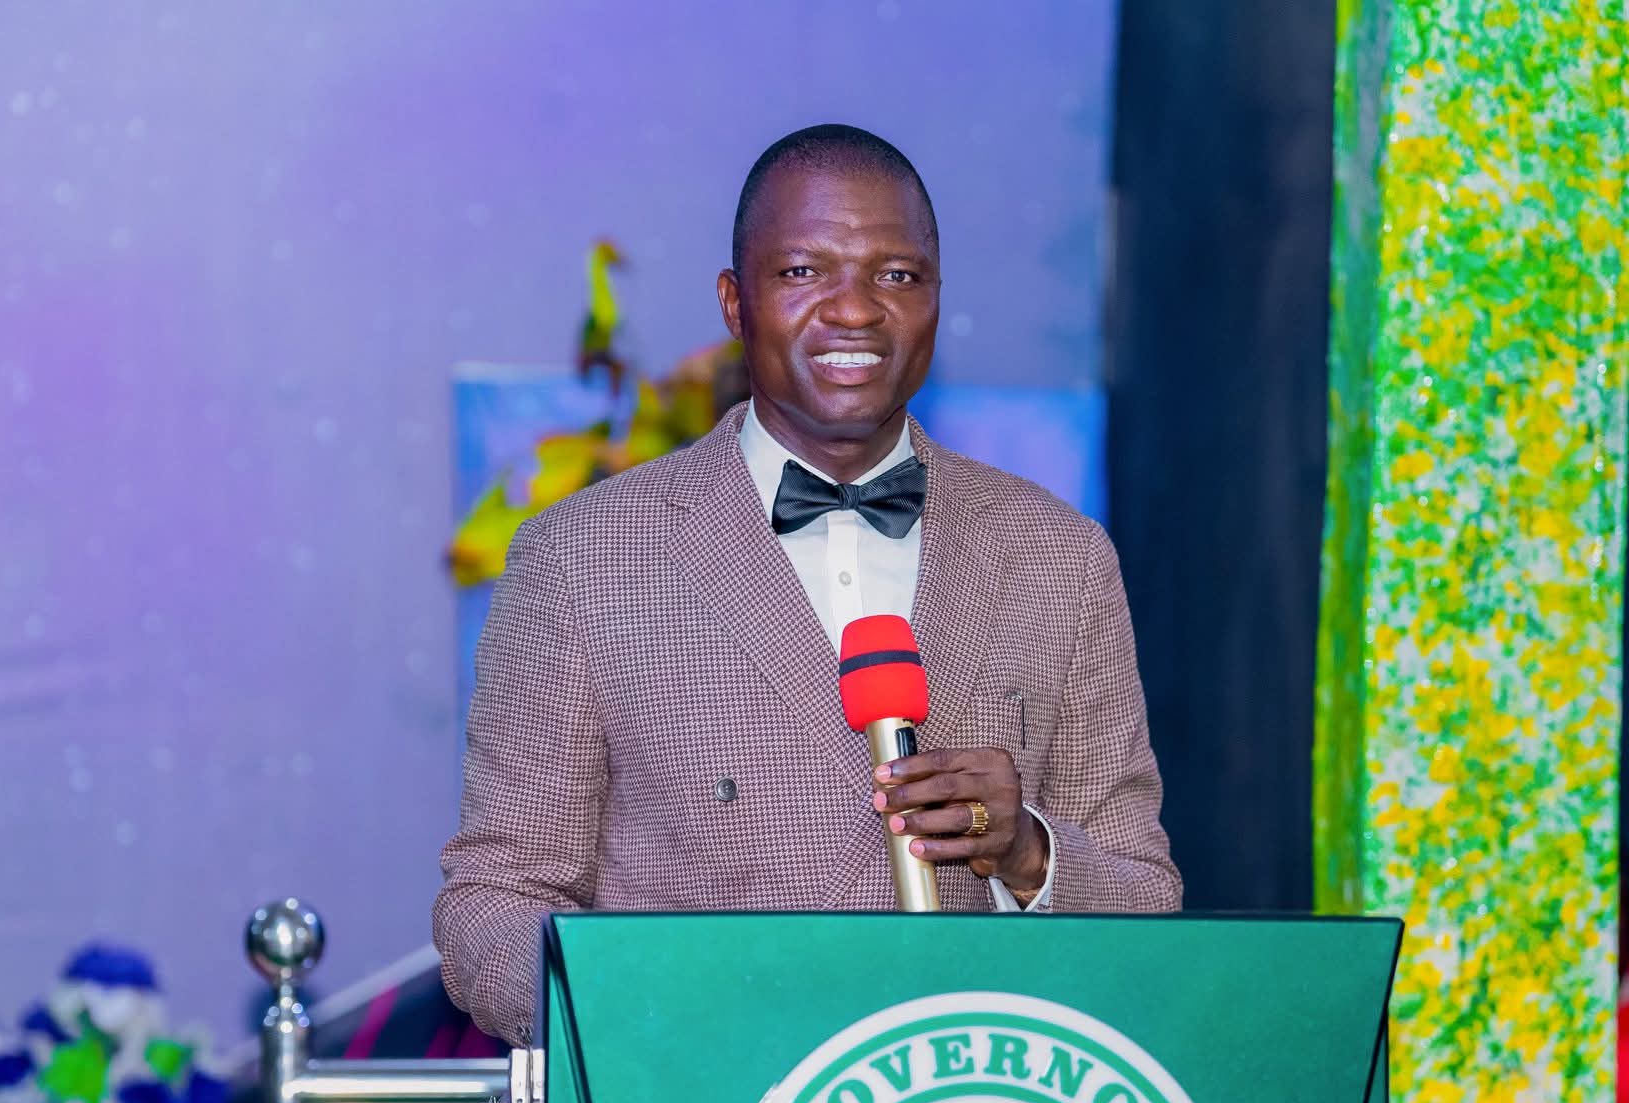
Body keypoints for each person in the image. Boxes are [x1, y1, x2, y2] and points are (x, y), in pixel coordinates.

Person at [432, 124, 1181, 1047]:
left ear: (937, 299)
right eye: (801, 272)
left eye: (896, 274)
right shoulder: (581, 557)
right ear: (734, 303)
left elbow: (1148, 902)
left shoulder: (1058, 556)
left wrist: (1028, 852)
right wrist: (651, 1034)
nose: (855, 309)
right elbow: (494, 902)